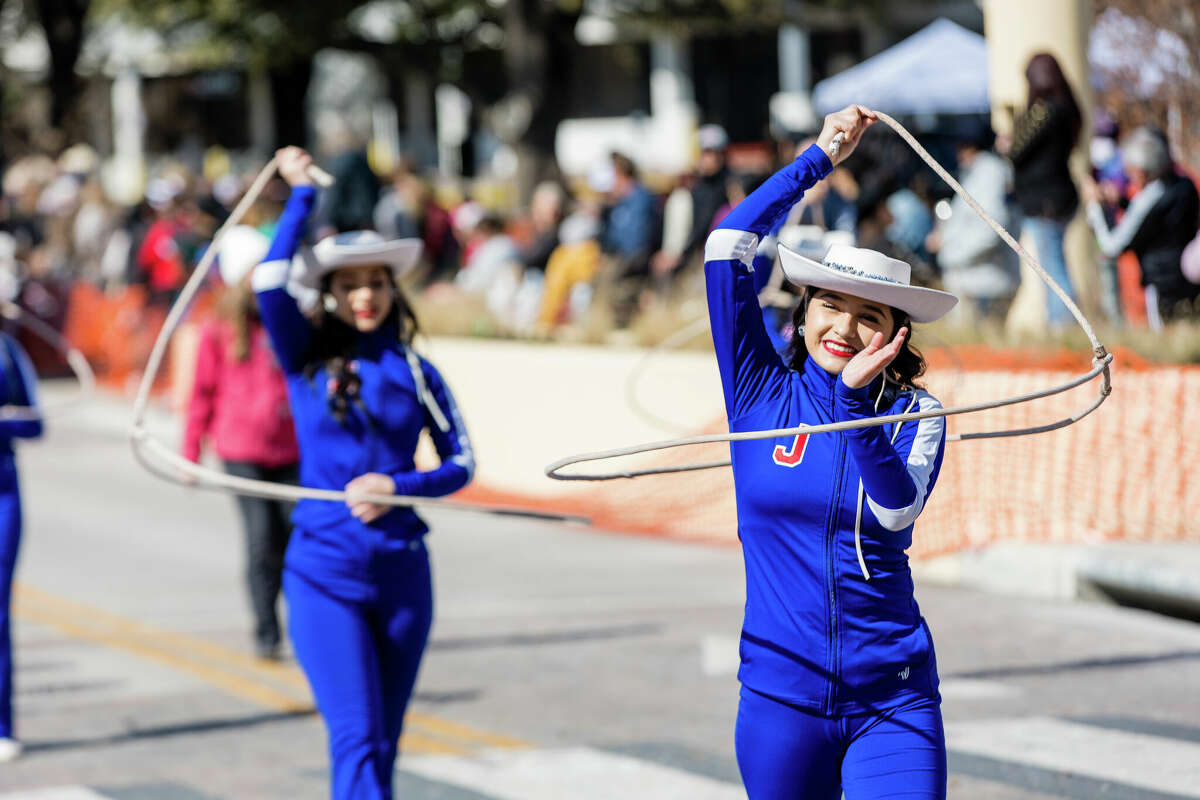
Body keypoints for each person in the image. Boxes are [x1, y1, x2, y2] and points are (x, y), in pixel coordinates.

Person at [705, 105, 957, 799]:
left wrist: (853, 407)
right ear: (803, 309)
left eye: (869, 315)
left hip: (892, 698)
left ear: (895, 335)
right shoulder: (758, 391)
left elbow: (895, 512)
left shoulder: (916, 412)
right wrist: (816, 161)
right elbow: (727, 245)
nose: (844, 326)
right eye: (830, 305)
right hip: (780, 698)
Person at [255, 146, 475, 798]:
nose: (364, 296)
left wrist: (400, 488)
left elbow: (463, 461)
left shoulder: (414, 368)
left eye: (376, 282)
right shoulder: (304, 354)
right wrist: (300, 196)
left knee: (384, 743)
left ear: (391, 288)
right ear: (329, 290)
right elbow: (269, 282)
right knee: (355, 738)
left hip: (403, 573)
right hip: (324, 572)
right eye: (349, 284)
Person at [182, 225, 301, 660]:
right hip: (241, 451)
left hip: (290, 449)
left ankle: (304, 623)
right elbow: (201, 394)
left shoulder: (287, 321)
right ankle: (266, 630)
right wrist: (190, 453)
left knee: (296, 534)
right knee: (260, 540)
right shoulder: (219, 331)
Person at [1083, 127, 1200, 328]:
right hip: (1186, 279)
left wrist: (1095, 207)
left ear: (1144, 170)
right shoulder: (1183, 184)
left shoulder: (1151, 197)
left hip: (1162, 283)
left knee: (1167, 346)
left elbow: (1111, 246)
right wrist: (1121, 201)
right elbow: (1156, 222)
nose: (1130, 174)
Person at [1007, 52, 1082, 330]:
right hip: (1062, 196)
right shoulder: (1067, 108)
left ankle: (1062, 327)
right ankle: (1062, 324)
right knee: (1056, 262)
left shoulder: (1044, 111)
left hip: (1045, 201)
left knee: (1053, 269)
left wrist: (1010, 131)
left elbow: (1016, 149)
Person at [0, 331, 44, 761]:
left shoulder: (9, 352)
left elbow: (36, 422)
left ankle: (2, 723)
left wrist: (5, 418)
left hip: (3, 494)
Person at [927, 119, 1019, 323]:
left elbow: (992, 229)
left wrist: (953, 257)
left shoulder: (989, 173)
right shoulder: (980, 172)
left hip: (985, 282)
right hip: (978, 280)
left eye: (961, 146)